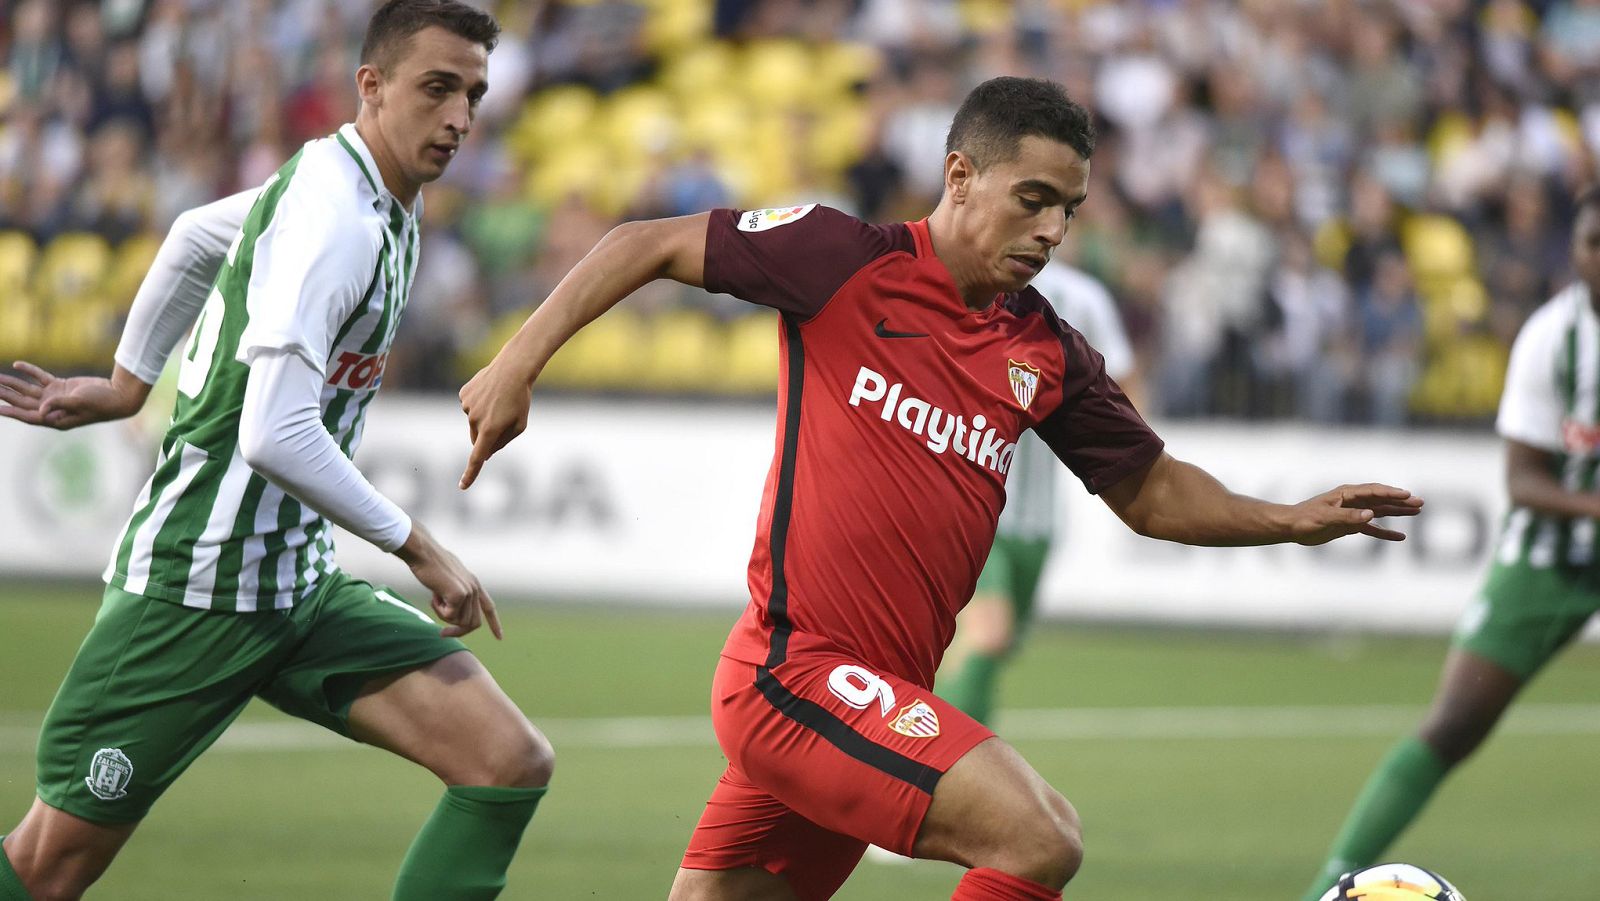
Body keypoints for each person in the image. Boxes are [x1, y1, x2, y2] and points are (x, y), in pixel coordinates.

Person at [459, 76, 1421, 901]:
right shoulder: (844, 260)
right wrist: (516, 364)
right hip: (796, 678)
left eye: (1070, 210)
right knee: (1039, 836)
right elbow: (645, 241)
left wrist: (1292, 519)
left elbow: (1152, 487)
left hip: (873, 699)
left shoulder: (1045, 348)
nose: (1050, 229)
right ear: (960, 175)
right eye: (1032, 198)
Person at [0, 4, 552, 900]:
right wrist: (419, 545)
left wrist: (130, 382)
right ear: (371, 86)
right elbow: (271, 431)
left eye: (474, 96)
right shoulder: (335, 219)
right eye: (437, 89)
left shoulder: (372, 197)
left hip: (294, 587)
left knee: (507, 760)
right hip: (195, 585)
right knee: (47, 867)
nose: (459, 117)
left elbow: (192, 237)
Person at [1300, 187, 1600, 901]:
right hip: (1548, 558)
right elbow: (1523, 479)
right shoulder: (1551, 338)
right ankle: (1320, 888)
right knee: (1454, 722)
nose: (1598, 257)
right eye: (1591, 241)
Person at [936, 261, 1140, 728]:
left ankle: (960, 756)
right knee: (988, 633)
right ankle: (925, 763)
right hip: (970, 503)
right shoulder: (963, 280)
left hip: (1039, 519)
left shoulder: (1082, 299)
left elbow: (1126, 390)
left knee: (993, 647)